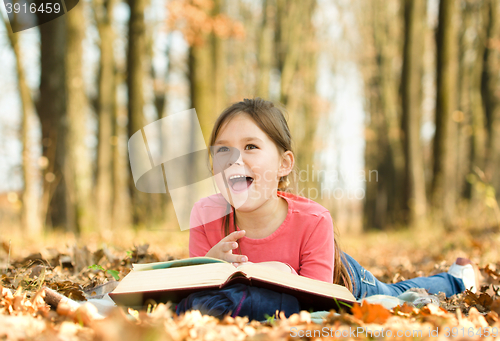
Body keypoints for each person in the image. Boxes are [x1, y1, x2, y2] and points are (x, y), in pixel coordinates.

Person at [177, 98, 479, 320]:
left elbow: (315, 305)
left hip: (342, 279)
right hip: (270, 297)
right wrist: (206, 265)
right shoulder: (206, 214)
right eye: (222, 150)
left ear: (284, 164)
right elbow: (195, 295)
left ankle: (457, 279)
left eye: (251, 147)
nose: (234, 159)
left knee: (397, 295)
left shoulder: (313, 220)